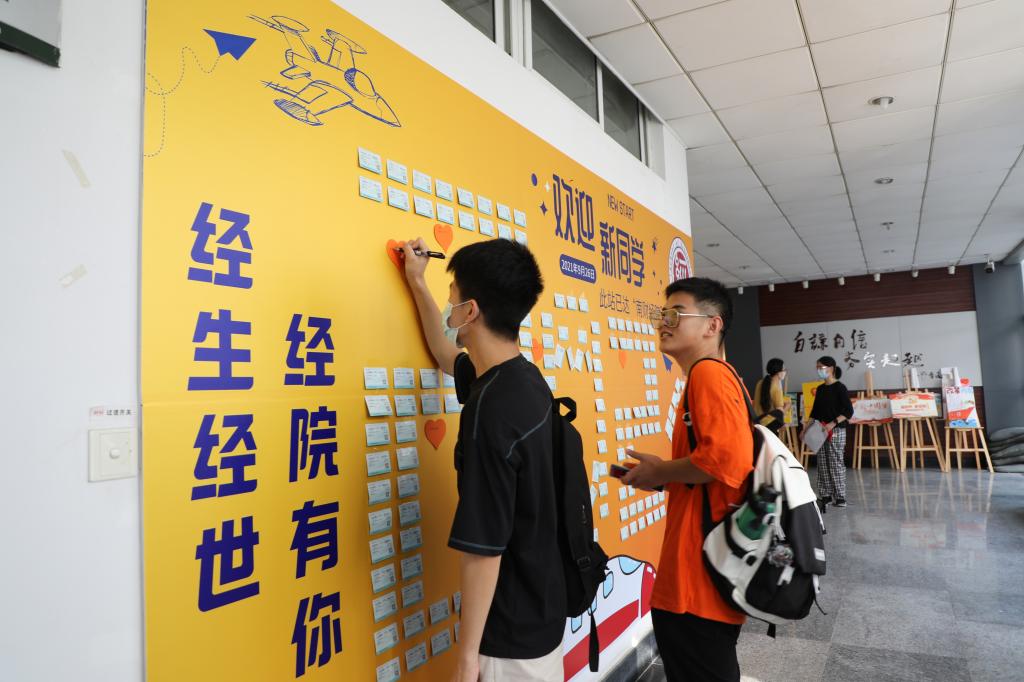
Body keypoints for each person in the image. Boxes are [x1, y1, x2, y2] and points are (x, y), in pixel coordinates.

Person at [399, 237, 566, 682]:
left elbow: (484, 550)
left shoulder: (490, 410)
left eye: (452, 296)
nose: (448, 306)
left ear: (470, 311)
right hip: (542, 616)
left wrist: (467, 656)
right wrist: (418, 282)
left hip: (507, 641)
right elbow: (445, 353)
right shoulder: (524, 381)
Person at [620, 277, 754, 682]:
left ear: (712, 325)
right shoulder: (718, 376)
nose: (664, 322)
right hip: (708, 574)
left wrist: (661, 471)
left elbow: (724, 461)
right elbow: (717, 470)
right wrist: (663, 475)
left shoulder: (708, 375)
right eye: (663, 314)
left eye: (676, 314)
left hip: (696, 583)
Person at [803, 355, 854, 511]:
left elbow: (848, 411)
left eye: (822, 367)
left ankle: (840, 496)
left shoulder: (840, 388)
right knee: (822, 463)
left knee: (835, 462)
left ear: (831, 369)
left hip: (836, 430)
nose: (819, 370)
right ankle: (825, 495)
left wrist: (833, 423)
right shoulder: (820, 389)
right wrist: (805, 429)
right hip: (820, 430)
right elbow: (815, 412)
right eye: (817, 367)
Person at [752, 358, 789, 435]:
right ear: (778, 372)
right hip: (770, 424)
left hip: (757, 423)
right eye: (784, 369)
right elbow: (779, 412)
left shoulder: (760, 383)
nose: (785, 372)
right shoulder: (776, 388)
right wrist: (787, 406)